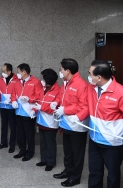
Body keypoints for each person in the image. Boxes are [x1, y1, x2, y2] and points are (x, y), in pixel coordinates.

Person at [52, 58, 89, 187]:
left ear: (68, 70)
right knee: (67, 151)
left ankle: (75, 177)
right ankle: (68, 171)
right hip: (65, 123)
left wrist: (66, 110)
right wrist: (56, 104)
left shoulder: (81, 85)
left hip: (77, 125)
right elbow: (61, 98)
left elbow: (84, 106)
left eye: (61, 69)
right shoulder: (65, 83)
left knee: (77, 153)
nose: (60, 71)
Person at [87, 60, 123, 188]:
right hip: (94, 138)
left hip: (111, 142)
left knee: (113, 175)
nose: (89, 76)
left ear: (99, 77)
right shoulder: (91, 88)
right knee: (94, 171)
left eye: (90, 74)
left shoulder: (120, 92)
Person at [11, 63, 42, 161]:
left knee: (29, 134)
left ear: (24, 72)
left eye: (19, 71)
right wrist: (13, 101)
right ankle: (22, 150)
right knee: (20, 134)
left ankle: (30, 152)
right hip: (18, 112)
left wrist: (29, 99)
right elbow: (13, 93)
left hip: (28, 113)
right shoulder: (17, 81)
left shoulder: (36, 82)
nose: (17, 73)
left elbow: (39, 97)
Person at [32, 69, 60, 171]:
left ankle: (51, 162)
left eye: (43, 78)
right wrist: (34, 110)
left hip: (50, 122)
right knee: (43, 142)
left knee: (50, 143)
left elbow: (55, 109)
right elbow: (38, 102)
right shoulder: (42, 89)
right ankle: (44, 159)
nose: (41, 80)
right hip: (41, 121)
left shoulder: (58, 91)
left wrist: (42, 108)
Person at [0, 63, 18, 153]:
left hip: (11, 107)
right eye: (2, 71)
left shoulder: (16, 80)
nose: (2, 73)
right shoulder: (1, 80)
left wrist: (12, 100)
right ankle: (3, 143)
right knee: (4, 126)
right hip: (3, 106)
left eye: (4, 71)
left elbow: (17, 92)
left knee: (12, 127)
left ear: (9, 71)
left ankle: (12, 145)